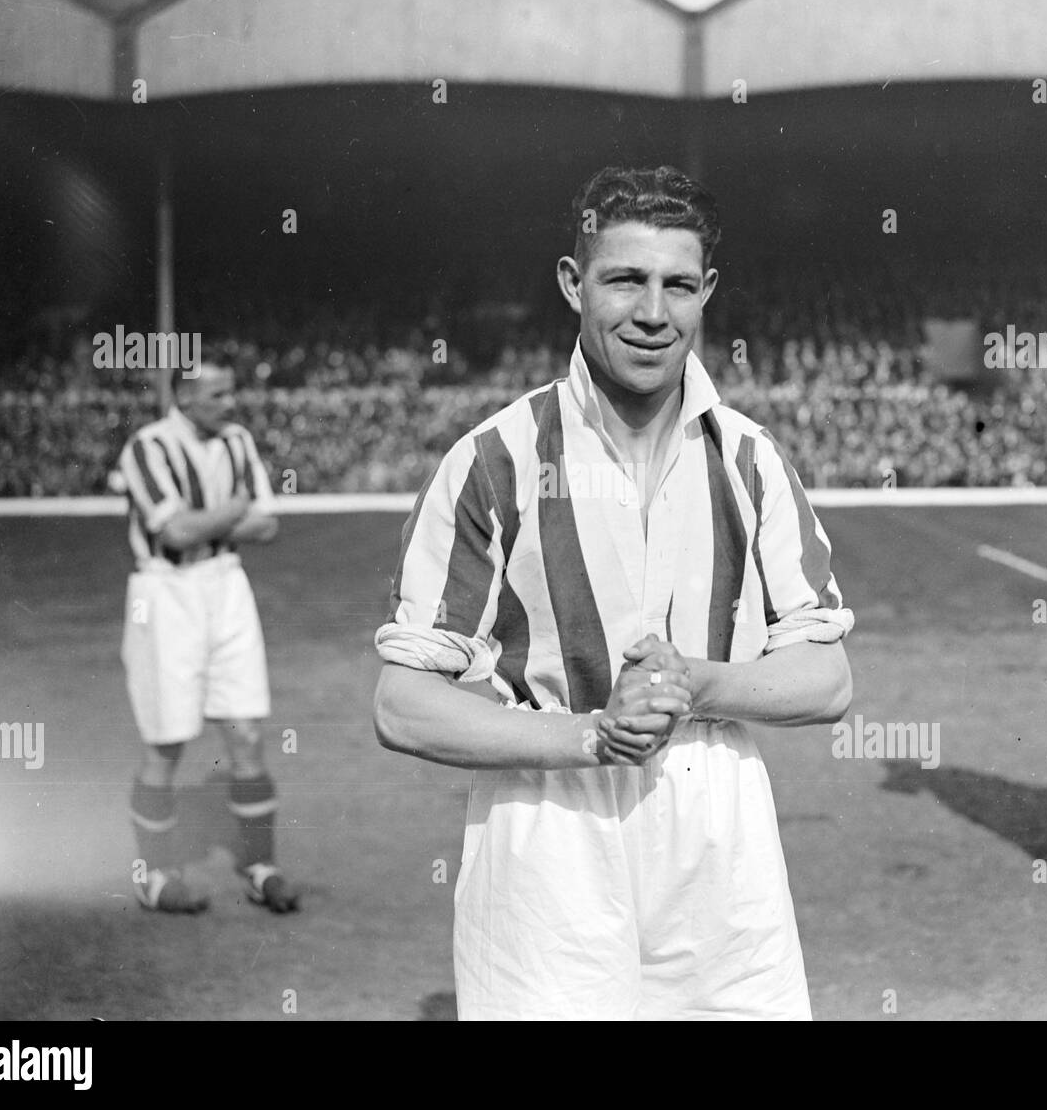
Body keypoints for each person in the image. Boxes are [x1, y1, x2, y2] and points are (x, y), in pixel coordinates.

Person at [373, 165, 854, 1019]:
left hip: (716, 820)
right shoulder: (494, 460)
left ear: (707, 291)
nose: (653, 313)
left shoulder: (752, 460)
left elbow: (829, 680)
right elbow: (402, 705)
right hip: (546, 811)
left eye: (677, 285)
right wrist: (593, 734)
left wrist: (697, 683)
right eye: (625, 279)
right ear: (573, 283)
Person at [116, 356, 300, 914]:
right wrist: (231, 512)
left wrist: (209, 520)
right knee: (167, 739)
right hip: (165, 594)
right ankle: (153, 874)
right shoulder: (147, 447)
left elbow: (265, 524)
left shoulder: (237, 441)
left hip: (226, 586)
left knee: (245, 732)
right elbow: (173, 532)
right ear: (185, 397)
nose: (230, 404)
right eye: (218, 395)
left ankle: (259, 865)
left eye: (231, 392)